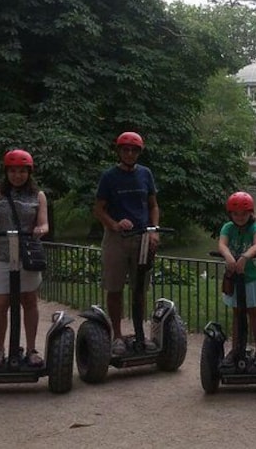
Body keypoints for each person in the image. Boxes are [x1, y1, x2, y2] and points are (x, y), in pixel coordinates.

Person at [0, 149, 49, 367]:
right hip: (1, 255)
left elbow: (44, 223)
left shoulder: (38, 196)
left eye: (21, 171)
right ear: (6, 172)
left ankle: (31, 350)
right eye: (13, 171)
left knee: (29, 301)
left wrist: (40, 229)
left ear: (29, 172)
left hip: (27, 254)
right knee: (1, 303)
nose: (17, 175)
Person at [93, 131, 160, 355]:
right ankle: (118, 336)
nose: (129, 153)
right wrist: (113, 224)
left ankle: (140, 333)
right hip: (116, 239)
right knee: (115, 288)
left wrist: (153, 230)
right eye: (126, 150)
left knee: (140, 288)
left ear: (139, 153)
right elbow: (98, 209)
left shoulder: (145, 174)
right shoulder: (109, 176)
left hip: (142, 236)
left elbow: (153, 205)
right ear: (119, 151)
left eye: (134, 150)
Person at [218, 191, 256, 366]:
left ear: (251, 213)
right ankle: (236, 348)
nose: (240, 217)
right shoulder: (228, 227)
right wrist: (228, 257)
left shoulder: (255, 227)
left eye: (244, 213)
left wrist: (245, 256)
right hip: (235, 278)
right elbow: (222, 244)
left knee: (254, 313)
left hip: (253, 277)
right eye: (236, 214)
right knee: (237, 313)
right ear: (230, 214)